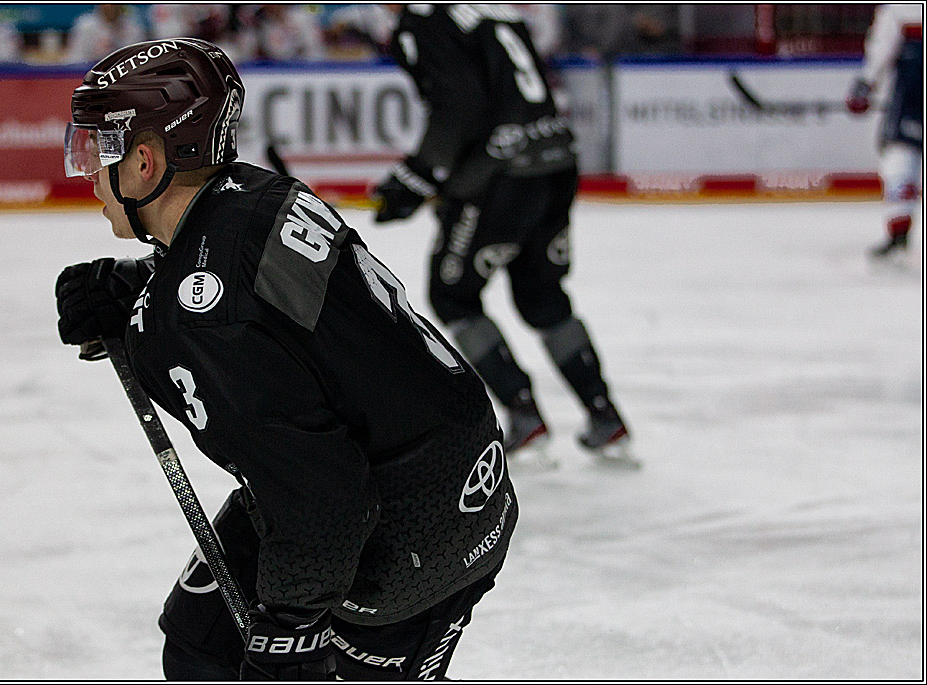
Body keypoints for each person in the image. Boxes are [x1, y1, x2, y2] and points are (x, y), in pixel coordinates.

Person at [54, 38, 517, 680]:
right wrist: (134, 291)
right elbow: (264, 312)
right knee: (201, 642)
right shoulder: (251, 192)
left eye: (100, 152)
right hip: (432, 462)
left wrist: (289, 627)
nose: (89, 176)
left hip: (417, 532)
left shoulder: (203, 320)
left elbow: (322, 495)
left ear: (144, 160)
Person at [371, 5, 632, 462]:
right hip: (554, 161)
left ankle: (524, 415)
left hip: (506, 176)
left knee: (454, 295)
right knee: (542, 295)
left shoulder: (424, 22)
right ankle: (604, 415)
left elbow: (460, 106)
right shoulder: (492, 10)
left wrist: (416, 177)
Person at [846, 3, 923, 259]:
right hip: (911, 93)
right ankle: (899, 233)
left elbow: (881, 49)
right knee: (901, 157)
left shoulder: (898, 10)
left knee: (901, 156)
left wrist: (866, 83)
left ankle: (898, 235)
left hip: (911, 97)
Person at [64, 4, 146, 64]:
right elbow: (75, 59)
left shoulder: (133, 27)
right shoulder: (85, 26)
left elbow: (139, 60)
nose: (110, 7)